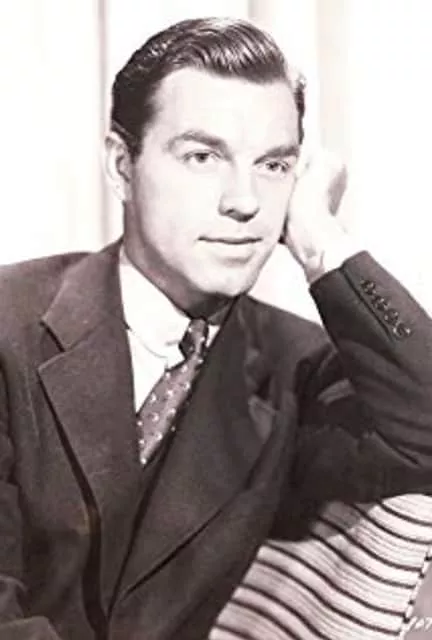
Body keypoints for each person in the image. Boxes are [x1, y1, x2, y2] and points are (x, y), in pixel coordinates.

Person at [0, 15, 432, 640]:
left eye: (274, 166)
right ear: (121, 165)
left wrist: (322, 243)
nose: (245, 202)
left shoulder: (293, 367)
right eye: (203, 157)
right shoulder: (9, 325)